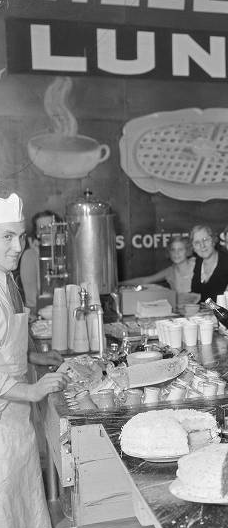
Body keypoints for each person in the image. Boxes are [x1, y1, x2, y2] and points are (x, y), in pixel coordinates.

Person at [0, 192, 70, 528]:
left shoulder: (5, 280)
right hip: (4, 422)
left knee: (25, 501)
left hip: (15, 420)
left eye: (20, 237)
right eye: (7, 237)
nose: (18, 247)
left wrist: (32, 355)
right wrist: (32, 391)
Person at [121, 235, 195, 294]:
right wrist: (119, 284)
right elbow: (144, 281)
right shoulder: (170, 271)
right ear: (169, 252)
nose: (176, 253)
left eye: (180, 249)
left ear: (188, 251)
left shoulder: (197, 264)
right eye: (173, 250)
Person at [19, 210, 61, 311]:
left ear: (59, 229)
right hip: (42, 314)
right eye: (42, 228)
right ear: (37, 233)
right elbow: (31, 301)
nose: (47, 231)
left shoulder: (67, 253)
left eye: (51, 226)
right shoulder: (30, 256)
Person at [190, 224, 228, 303]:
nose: (202, 245)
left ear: (213, 240)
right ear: (193, 248)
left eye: (205, 240)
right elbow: (196, 296)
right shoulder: (198, 262)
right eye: (197, 242)